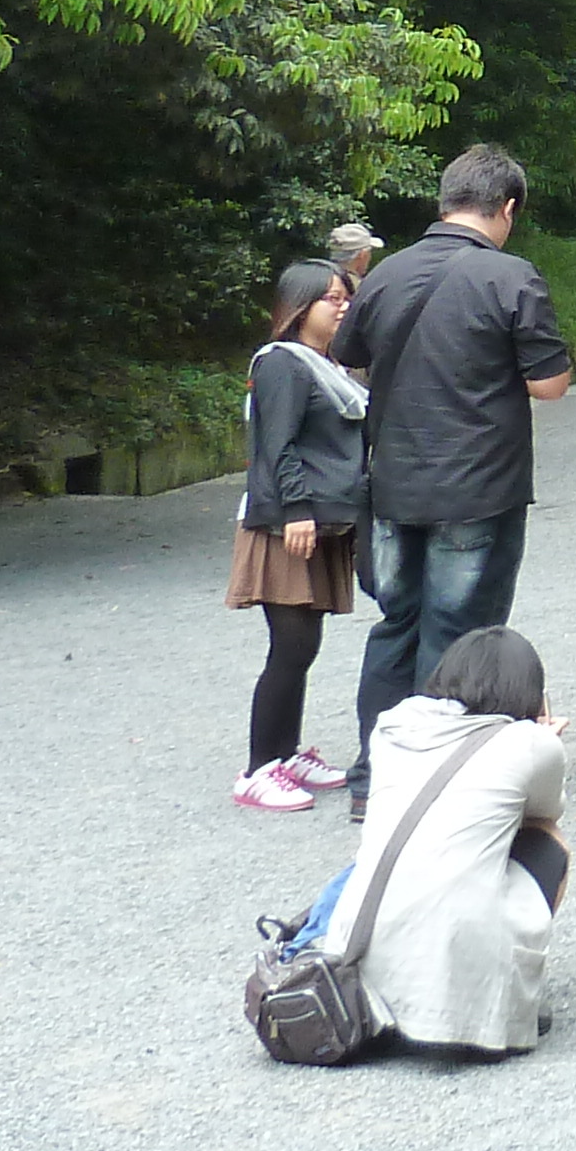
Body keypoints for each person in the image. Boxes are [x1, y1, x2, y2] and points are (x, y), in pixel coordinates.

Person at [335, 146, 574, 815]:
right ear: (508, 208)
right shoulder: (510, 276)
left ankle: (372, 777)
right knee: (459, 632)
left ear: (444, 200)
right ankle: (435, 779)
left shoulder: (384, 276)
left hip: (392, 485)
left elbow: (351, 360)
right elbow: (551, 385)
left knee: (394, 626)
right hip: (478, 484)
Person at [318, 627, 571, 1055]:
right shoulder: (531, 744)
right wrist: (545, 735)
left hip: (355, 970)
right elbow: (545, 811)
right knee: (547, 842)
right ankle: (501, 992)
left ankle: (395, 986)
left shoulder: (393, 725)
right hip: (465, 1018)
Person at [231, 259, 367, 813]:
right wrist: (295, 510)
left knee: (303, 645)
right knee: (289, 646)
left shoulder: (325, 364)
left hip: (316, 519)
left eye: (346, 298)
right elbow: (277, 445)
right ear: (299, 305)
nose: (342, 307)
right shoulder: (282, 364)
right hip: (288, 522)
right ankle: (259, 767)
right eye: (331, 298)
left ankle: (286, 755)